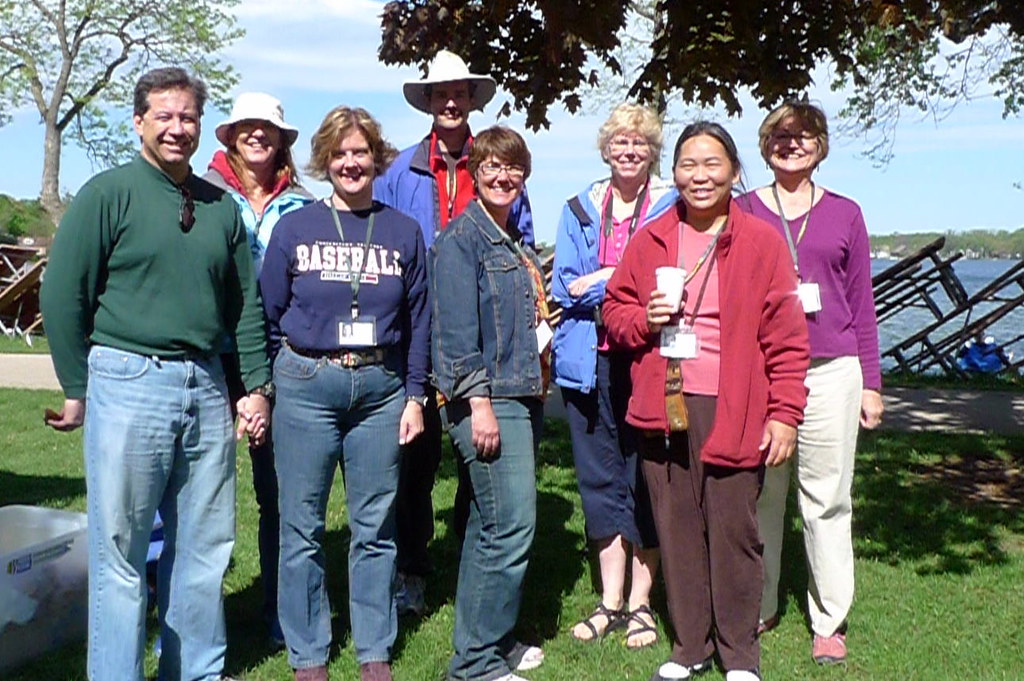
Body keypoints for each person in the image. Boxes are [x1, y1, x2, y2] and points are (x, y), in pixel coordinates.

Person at [40, 66, 271, 681]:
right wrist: (75, 387)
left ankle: (194, 672)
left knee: (204, 547)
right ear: (139, 121)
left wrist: (255, 389)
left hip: (203, 384)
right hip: (126, 379)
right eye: (164, 116)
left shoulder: (221, 208)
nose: (177, 128)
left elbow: (244, 305)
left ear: (202, 127)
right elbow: (63, 293)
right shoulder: (107, 194)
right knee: (121, 551)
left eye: (188, 116)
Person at [602, 121, 810, 681]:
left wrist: (785, 414)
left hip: (735, 404)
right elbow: (615, 313)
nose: (700, 175)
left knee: (735, 531)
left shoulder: (761, 242)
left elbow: (788, 339)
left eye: (712, 164)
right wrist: (642, 319)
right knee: (677, 529)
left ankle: (739, 655)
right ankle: (690, 646)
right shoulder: (651, 239)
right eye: (688, 164)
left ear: (735, 172)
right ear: (674, 173)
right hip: (664, 403)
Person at [260, 106, 430, 681]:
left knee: (374, 525)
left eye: (360, 152)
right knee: (300, 524)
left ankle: (374, 648)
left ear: (376, 159)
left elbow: (420, 320)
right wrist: (264, 386)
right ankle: (309, 652)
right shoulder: (296, 228)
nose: (351, 163)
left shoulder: (403, 230)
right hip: (306, 383)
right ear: (325, 162)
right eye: (340, 154)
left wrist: (414, 396)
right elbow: (269, 308)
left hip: (381, 390)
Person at [374, 49, 535, 616]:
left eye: (459, 93)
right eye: (439, 93)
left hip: (484, 335)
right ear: (428, 102)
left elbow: (522, 240)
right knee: (415, 462)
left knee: (482, 465)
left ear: (471, 99)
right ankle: (413, 571)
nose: (449, 101)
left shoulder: (494, 164)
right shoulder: (401, 173)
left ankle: (478, 567)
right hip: (418, 329)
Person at [741, 101, 883, 665]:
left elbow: (862, 305)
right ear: (765, 145)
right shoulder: (744, 208)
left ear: (821, 145)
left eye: (802, 136)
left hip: (832, 370)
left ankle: (828, 619)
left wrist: (871, 383)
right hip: (765, 367)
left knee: (826, 499)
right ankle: (760, 603)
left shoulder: (846, 213)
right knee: (762, 494)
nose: (790, 143)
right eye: (779, 135)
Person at [551, 103, 675, 647]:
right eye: (619, 143)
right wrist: (622, 283)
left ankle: (643, 603)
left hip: (648, 358)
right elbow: (562, 287)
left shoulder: (672, 206)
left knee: (645, 475)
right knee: (598, 478)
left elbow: (669, 282)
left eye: (639, 143)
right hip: (587, 360)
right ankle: (609, 600)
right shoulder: (579, 207)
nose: (628, 151)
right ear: (606, 150)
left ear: (652, 151)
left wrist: (602, 278)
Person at [429, 126, 548, 681]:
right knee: (511, 528)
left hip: (519, 395)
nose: (504, 177)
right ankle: (476, 663)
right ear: (474, 173)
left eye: (513, 168)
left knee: (488, 525)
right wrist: (478, 404)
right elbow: (453, 336)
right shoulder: (462, 240)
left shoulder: (510, 238)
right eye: (492, 167)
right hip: (490, 400)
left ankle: (486, 643)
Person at [204, 90, 314, 647]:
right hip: (209, 356)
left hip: (280, 356)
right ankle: (197, 620)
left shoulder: (305, 204)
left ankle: (279, 611)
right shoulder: (202, 196)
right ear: (229, 135)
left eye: (267, 128)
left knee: (279, 493)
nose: (256, 135)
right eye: (247, 127)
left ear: (281, 140)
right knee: (202, 493)